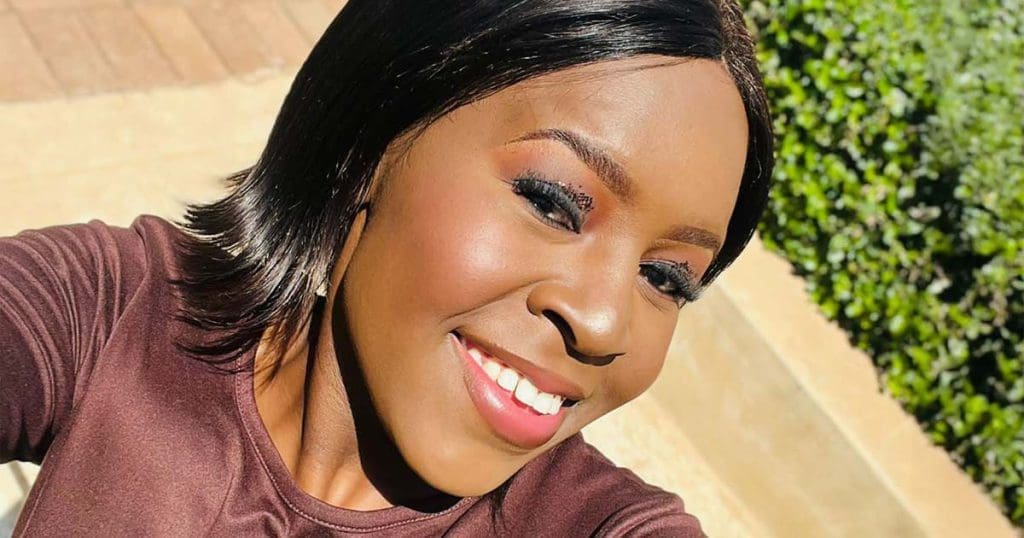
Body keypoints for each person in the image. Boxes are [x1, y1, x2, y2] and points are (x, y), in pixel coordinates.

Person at [0, 0, 774, 535]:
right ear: (369, 143)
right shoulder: (118, 314)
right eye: (552, 202)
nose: (605, 322)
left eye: (667, 278)